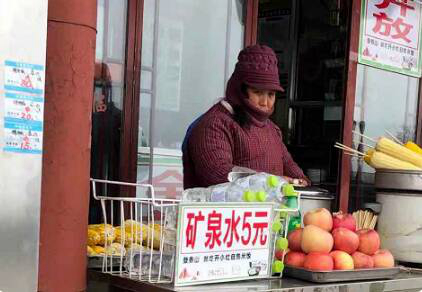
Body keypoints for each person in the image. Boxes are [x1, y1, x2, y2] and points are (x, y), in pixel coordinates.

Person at [182, 44, 309, 189]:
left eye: (271, 94)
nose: (265, 102)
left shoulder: (271, 129)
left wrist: (300, 180)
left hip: (270, 211)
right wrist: (276, 181)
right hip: (228, 212)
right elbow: (218, 174)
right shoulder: (214, 124)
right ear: (240, 90)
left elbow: (293, 171)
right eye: (258, 92)